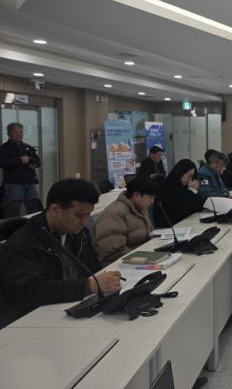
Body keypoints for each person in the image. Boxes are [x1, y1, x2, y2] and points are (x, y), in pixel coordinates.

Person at [0, 179, 121, 328]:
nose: (84, 221)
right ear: (55, 210)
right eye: (79, 215)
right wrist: (89, 286)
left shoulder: (77, 233)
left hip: (72, 308)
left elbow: (93, 266)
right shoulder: (23, 243)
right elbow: (33, 291)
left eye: (88, 215)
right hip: (32, 321)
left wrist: (106, 282)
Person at [94, 177, 157, 264]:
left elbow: (148, 236)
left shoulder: (140, 208)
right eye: (150, 197)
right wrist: (146, 259)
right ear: (136, 195)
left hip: (142, 258)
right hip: (122, 264)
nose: (152, 202)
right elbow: (114, 252)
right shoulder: (114, 214)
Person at [153, 159, 205, 227]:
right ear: (181, 171)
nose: (190, 179)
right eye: (190, 175)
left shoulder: (182, 187)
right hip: (168, 227)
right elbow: (183, 210)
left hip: (180, 224)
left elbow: (200, 204)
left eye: (192, 177)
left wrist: (193, 191)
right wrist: (192, 190)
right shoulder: (167, 186)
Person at [0, 122, 41, 201]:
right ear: (9, 134)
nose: (19, 135)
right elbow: (3, 163)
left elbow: (38, 162)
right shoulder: (4, 148)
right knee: (15, 207)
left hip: (30, 183)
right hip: (13, 184)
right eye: (15, 132)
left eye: (20, 132)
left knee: (34, 206)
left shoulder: (27, 147)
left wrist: (30, 160)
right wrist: (19, 160)